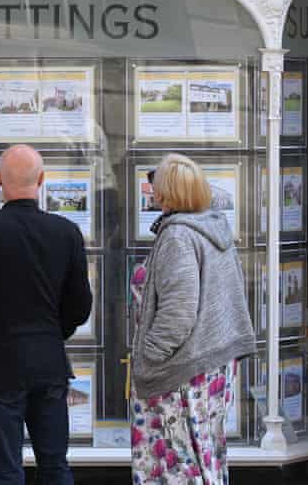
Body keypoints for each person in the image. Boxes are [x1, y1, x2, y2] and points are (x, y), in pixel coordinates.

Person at [0, 144, 93, 485]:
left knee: (7, 472)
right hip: (49, 365)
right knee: (55, 465)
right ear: (41, 179)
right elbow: (80, 306)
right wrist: (51, 334)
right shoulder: (66, 232)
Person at [130, 153, 256, 484]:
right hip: (211, 365)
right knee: (205, 455)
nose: (151, 191)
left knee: (179, 463)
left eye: (155, 185)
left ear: (166, 193)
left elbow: (179, 309)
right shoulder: (211, 227)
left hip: (181, 371)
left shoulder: (179, 236)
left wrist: (149, 357)